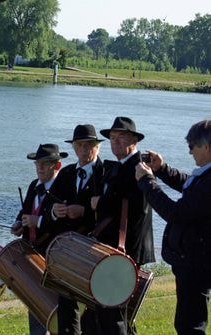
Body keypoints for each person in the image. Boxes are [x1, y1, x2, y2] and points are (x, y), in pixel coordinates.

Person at [135, 119, 211, 335]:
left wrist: (147, 182)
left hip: (198, 263)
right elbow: (191, 188)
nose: (190, 153)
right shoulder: (206, 177)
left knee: (190, 326)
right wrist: (162, 170)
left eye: (192, 147)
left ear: (207, 147)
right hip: (197, 261)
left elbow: (176, 213)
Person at [90, 116, 155, 335]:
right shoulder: (119, 166)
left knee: (113, 309)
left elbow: (138, 208)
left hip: (126, 249)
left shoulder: (139, 168)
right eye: (112, 138)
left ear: (134, 141)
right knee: (111, 310)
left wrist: (101, 202)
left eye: (121, 137)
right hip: (113, 248)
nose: (115, 142)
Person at [50, 125, 104, 335]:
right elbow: (49, 208)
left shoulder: (106, 173)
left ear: (97, 147)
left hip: (94, 250)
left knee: (94, 308)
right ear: (73, 147)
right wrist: (55, 211)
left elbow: (112, 212)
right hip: (66, 250)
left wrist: (83, 211)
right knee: (66, 307)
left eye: (88, 145)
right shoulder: (66, 173)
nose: (83, 149)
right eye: (79, 145)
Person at [11, 143, 68, 335]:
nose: (39, 168)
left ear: (57, 165)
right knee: (35, 304)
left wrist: (39, 221)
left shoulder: (64, 188)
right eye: (37, 164)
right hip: (31, 255)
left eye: (45, 164)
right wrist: (19, 222)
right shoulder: (33, 186)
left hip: (54, 258)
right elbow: (25, 210)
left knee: (56, 308)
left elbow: (66, 225)